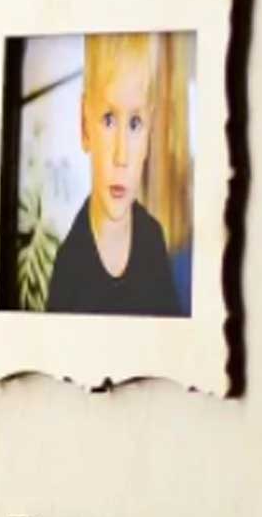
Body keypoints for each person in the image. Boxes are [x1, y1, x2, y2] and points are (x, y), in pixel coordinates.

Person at [42, 32, 181, 317]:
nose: (122, 156)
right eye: (108, 119)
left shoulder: (153, 238)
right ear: (85, 127)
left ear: (149, 135)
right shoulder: (69, 270)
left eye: (135, 123)